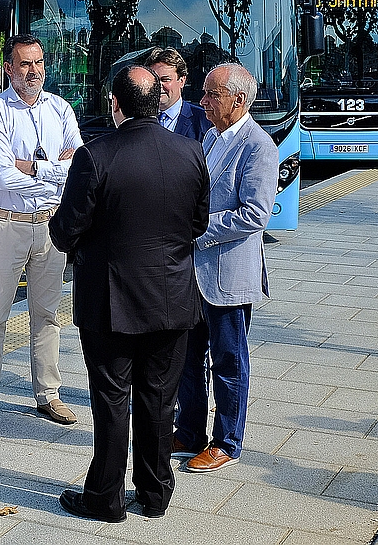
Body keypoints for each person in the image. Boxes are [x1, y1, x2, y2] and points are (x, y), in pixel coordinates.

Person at [49, 65, 210, 523]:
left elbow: (66, 230)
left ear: (115, 105)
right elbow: (197, 224)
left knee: (111, 401)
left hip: (110, 303)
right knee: (160, 401)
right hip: (172, 299)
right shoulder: (191, 153)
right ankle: (155, 494)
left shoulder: (95, 156)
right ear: (156, 101)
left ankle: (106, 497)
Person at [0, 34, 83, 430]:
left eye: (38, 63)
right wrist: (57, 174)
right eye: (24, 64)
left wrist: (36, 169)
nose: (34, 71)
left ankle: (48, 394)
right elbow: (1, 175)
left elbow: (79, 165)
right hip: (6, 226)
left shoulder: (60, 108)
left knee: (48, 315)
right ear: (8, 68)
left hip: (50, 227)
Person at [174, 62, 279, 473]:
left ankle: (227, 441)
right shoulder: (211, 137)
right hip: (193, 274)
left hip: (227, 275)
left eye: (211, 95)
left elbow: (255, 214)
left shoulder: (258, 146)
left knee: (229, 360)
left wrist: (197, 230)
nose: (202, 102)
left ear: (238, 100)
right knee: (187, 357)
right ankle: (189, 431)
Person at [140, 47, 212, 142]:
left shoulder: (204, 120)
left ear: (182, 81)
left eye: (165, 80)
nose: (158, 86)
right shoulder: (137, 119)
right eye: (153, 81)